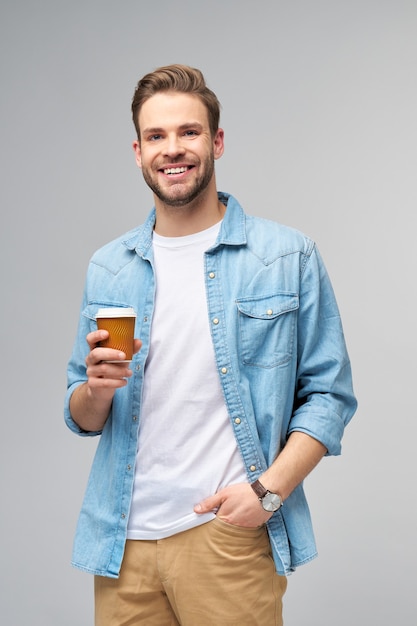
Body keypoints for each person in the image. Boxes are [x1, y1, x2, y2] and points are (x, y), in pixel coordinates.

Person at [65, 64, 357, 626]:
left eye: (188, 132)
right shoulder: (109, 268)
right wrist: (95, 390)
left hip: (226, 539)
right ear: (138, 151)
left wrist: (267, 494)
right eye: (156, 136)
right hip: (121, 544)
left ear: (216, 141)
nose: (172, 149)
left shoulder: (285, 256)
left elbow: (329, 396)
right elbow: (81, 411)